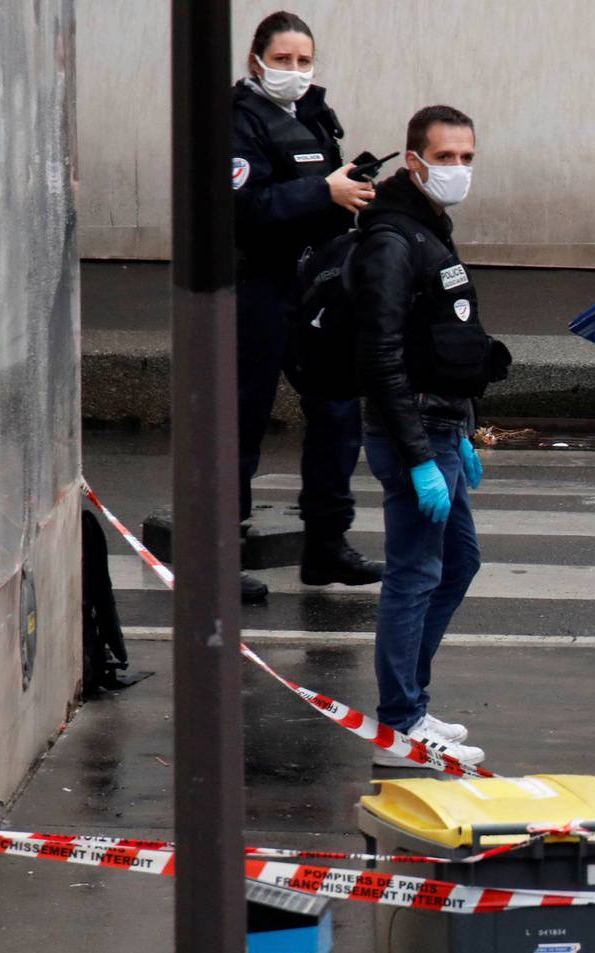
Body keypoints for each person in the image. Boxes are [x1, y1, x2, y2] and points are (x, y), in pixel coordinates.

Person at [353, 105, 508, 767]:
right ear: (413, 161)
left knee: (459, 561)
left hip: (442, 426)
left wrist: (464, 429)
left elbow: (442, 341)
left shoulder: (427, 229)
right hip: (413, 431)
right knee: (415, 573)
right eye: (445, 158)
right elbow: (382, 354)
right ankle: (400, 722)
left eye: (467, 158)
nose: (457, 170)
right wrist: (418, 455)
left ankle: (410, 701)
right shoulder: (393, 240)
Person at [231, 10, 383, 603]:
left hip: (314, 285)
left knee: (339, 409)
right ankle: (221, 556)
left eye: (303, 60)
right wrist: (323, 190)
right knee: (242, 418)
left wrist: (356, 191)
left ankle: (326, 545)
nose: (294, 70)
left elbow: (326, 187)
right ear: (255, 62)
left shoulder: (312, 113)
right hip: (256, 286)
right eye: (283, 59)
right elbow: (245, 207)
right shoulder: (238, 120)